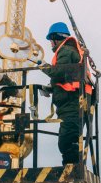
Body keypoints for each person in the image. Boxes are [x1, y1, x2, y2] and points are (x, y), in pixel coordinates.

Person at [40, 22, 94, 165]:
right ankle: (74, 167)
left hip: (73, 103)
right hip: (78, 101)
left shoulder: (65, 51)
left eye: (51, 40)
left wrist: (41, 64)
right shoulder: (72, 51)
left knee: (66, 140)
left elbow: (59, 72)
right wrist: (51, 88)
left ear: (55, 38)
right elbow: (68, 77)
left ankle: (72, 170)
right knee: (72, 138)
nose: (51, 44)